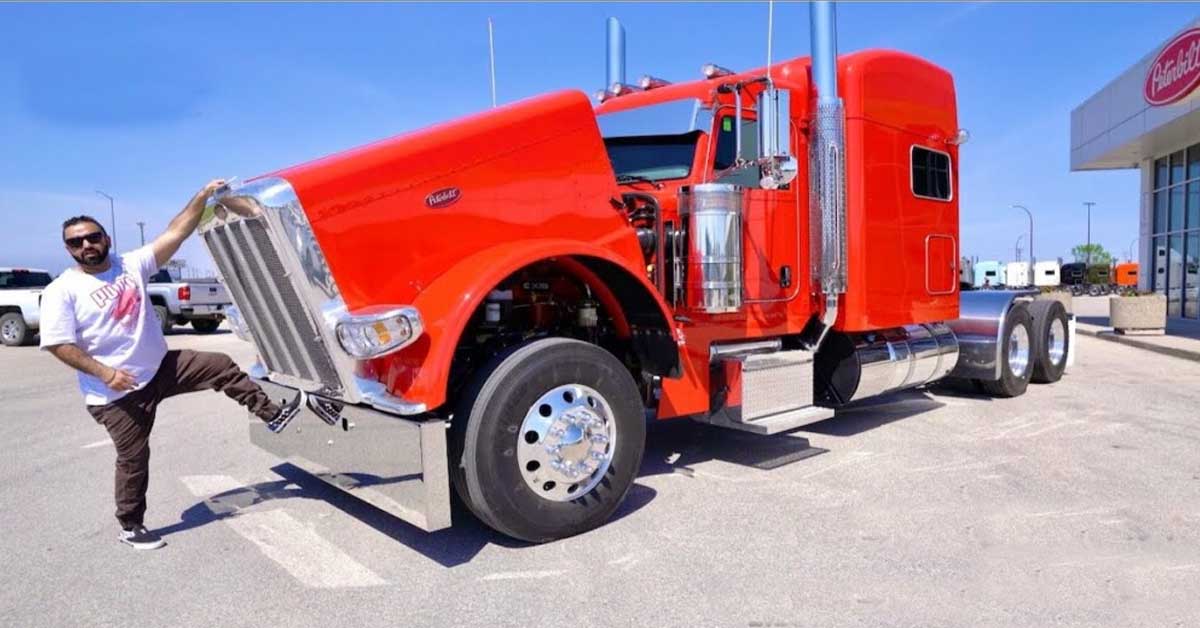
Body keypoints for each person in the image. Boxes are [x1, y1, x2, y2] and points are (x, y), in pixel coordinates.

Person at [39, 179, 303, 551]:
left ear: (106, 238)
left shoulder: (129, 265)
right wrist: (106, 373)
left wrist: (201, 197)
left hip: (161, 367)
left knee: (219, 365)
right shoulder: (61, 291)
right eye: (76, 242)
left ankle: (271, 414)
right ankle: (131, 526)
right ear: (68, 249)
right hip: (116, 391)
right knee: (134, 458)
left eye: (92, 237)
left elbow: (177, 232)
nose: (86, 245)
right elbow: (58, 344)